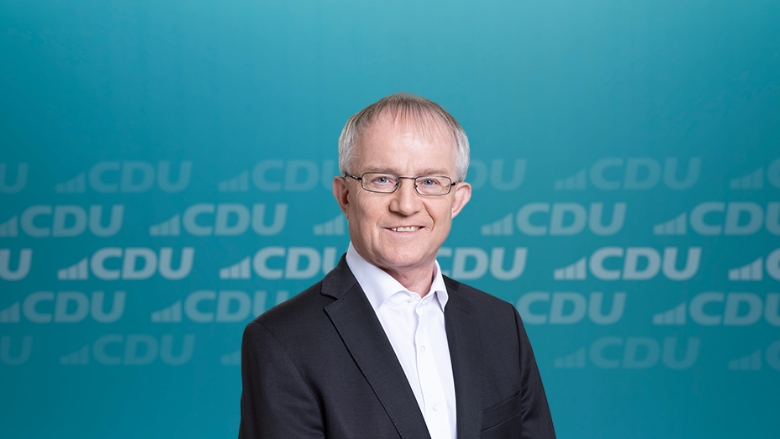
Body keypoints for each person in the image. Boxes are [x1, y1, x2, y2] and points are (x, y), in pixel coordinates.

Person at [239, 93, 555, 439]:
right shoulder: (283, 340)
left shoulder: (501, 324)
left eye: (430, 182)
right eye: (382, 179)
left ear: (457, 200)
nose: (406, 205)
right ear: (345, 196)